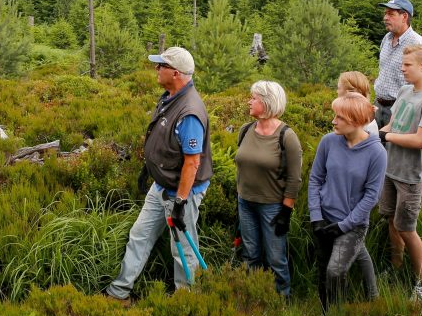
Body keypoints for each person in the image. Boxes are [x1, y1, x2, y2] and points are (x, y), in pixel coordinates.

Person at [106, 47, 213, 300]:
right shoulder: (170, 97)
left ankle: (185, 301)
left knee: (183, 249)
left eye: (161, 66)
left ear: (175, 73)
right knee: (139, 235)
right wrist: (150, 169)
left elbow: (192, 163)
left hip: (181, 193)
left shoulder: (189, 112)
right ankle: (119, 292)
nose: (156, 69)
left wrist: (180, 202)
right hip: (161, 187)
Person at [308, 92, 387, 310]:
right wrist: (316, 217)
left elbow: (372, 196)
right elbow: (315, 179)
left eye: (339, 117)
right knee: (324, 271)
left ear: (355, 120)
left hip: (352, 226)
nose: (333, 121)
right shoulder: (328, 142)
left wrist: (343, 226)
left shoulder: (376, 152)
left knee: (335, 271)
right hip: (324, 220)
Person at [378, 44, 422, 301]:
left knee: (407, 227)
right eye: (402, 64)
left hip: (410, 175)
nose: (402, 69)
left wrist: (386, 136)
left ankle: (420, 280)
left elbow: (421, 140)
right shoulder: (405, 91)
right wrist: (381, 135)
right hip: (390, 168)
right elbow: (393, 123)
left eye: (407, 65)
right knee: (390, 220)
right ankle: (396, 266)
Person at [235, 80, 303, 299]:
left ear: (266, 102)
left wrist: (286, 211)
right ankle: (252, 298)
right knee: (250, 254)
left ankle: (282, 299)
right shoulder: (246, 130)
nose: (249, 101)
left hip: (273, 207)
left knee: (275, 258)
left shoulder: (287, 136)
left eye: (253, 98)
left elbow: (294, 178)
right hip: (245, 203)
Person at [374, 0, 422, 128]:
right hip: (378, 105)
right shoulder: (387, 38)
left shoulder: (417, 44)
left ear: (404, 17)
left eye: (391, 14)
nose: (385, 18)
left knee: (393, 147)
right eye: (385, 13)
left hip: (400, 108)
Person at [337, 71, 379, 136]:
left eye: (338, 88)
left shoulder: (363, 118)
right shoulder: (352, 112)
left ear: (349, 92)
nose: (337, 91)